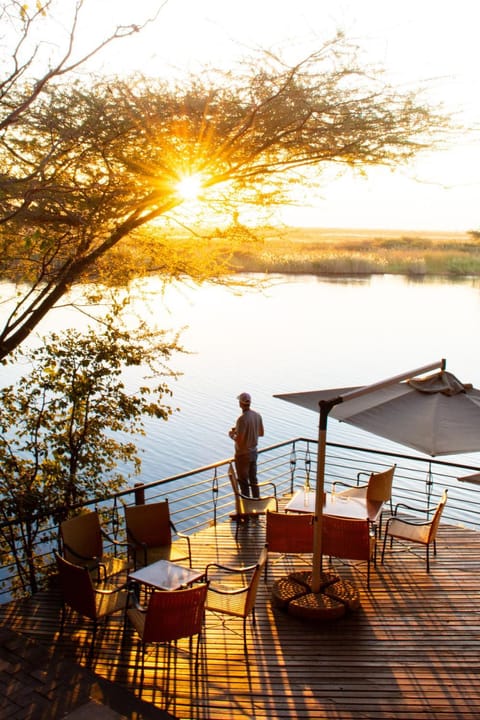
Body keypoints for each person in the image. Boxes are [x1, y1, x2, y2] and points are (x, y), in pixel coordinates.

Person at [228, 392, 264, 498]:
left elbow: (239, 441)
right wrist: (248, 432)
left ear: (240, 404)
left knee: (243, 482)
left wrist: (232, 435)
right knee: (253, 480)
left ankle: (246, 509)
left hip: (243, 455)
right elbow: (261, 433)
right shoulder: (257, 415)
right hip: (254, 453)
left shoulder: (242, 419)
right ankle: (256, 504)